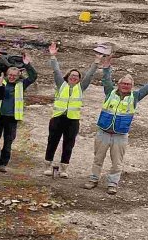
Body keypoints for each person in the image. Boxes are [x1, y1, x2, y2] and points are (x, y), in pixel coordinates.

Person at [86, 60, 148, 195]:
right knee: (98, 158)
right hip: (103, 132)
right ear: (118, 84)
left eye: (128, 84)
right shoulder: (110, 92)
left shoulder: (135, 96)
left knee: (117, 162)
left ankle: (112, 183)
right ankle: (93, 179)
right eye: (123, 83)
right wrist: (106, 67)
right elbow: (106, 79)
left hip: (120, 135)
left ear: (132, 86)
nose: (125, 86)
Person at [44, 43, 105, 178]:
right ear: (68, 76)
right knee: (52, 142)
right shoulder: (61, 84)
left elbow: (89, 76)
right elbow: (56, 71)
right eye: (72, 75)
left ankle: (64, 168)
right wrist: (53, 56)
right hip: (57, 118)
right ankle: (48, 165)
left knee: (68, 144)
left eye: (76, 76)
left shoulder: (81, 87)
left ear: (79, 79)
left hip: (72, 120)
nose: (74, 77)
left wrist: (96, 61)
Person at [0, 49, 38, 172]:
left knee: (8, 143)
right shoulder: (0, 82)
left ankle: (3, 164)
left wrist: (27, 64)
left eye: (14, 76)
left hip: (12, 118)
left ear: (18, 76)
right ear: (7, 74)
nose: (12, 77)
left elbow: (33, 76)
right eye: (10, 75)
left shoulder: (21, 84)